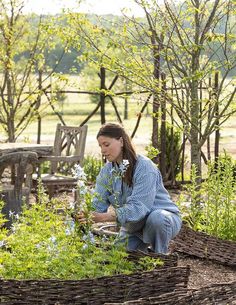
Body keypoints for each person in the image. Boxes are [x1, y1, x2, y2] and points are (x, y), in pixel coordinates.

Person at [79, 123, 182, 254]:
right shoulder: (107, 172)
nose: (102, 151)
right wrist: (85, 215)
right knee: (117, 260)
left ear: (121, 141)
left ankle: (160, 256)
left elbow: (138, 208)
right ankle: (144, 252)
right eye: (100, 146)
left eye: (106, 144)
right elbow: (97, 205)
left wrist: (104, 217)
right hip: (133, 226)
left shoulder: (144, 167)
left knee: (157, 219)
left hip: (162, 220)